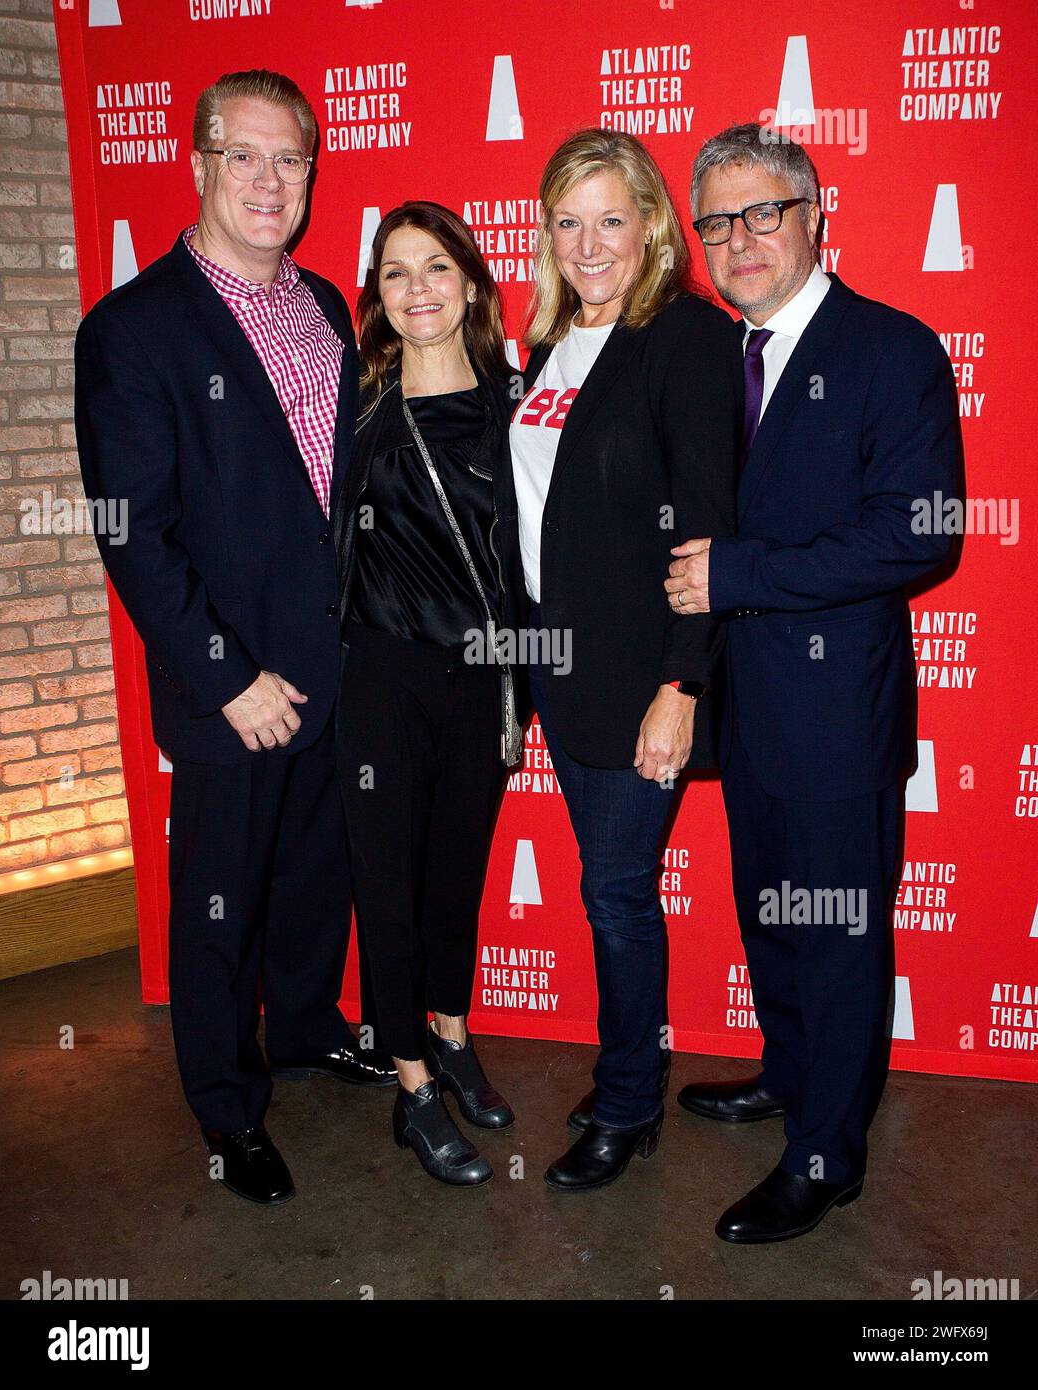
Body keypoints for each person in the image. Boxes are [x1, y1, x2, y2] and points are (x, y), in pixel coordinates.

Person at [74, 69, 395, 1208]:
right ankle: (225, 1105)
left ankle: (306, 1028)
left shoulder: (322, 305)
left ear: (312, 173)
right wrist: (223, 678)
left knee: (316, 879)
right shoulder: (134, 327)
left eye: (290, 159)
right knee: (219, 899)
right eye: (243, 155)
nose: (269, 181)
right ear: (199, 162)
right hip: (234, 686)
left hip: (336, 665)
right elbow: (136, 535)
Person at [666, 122, 962, 1242]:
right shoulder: (711, 355)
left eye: (761, 213)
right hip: (742, 708)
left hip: (837, 717)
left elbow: (917, 536)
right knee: (769, 915)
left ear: (812, 214)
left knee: (836, 933)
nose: (737, 239)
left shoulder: (891, 349)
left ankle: (827, 1153)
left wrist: (740, 572)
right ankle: (786, 1078)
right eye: (716, 222)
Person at [503, 128, 742, 1192]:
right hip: (563, 671)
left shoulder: (683, 336)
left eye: (611, 216)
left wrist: (678, 688)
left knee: (613, 892)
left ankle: (629, 1103)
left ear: (650, 224)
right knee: (609, 888)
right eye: (567, 220)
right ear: (546, 234)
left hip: (640, 676)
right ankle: (628, 1071)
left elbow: (704, 525)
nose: (588, 241)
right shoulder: (547, 346)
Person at [333, 201, 530, 1187]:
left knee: (457, 870)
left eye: (436, 269)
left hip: (479, 681)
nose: (416, 289)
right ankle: (411, 1083)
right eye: (395, 272)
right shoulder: (354, 399)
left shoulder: (516, 397)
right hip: (379, 677)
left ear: (470, 285)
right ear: (377, 293)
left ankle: (450, 1029)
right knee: (391, 885)